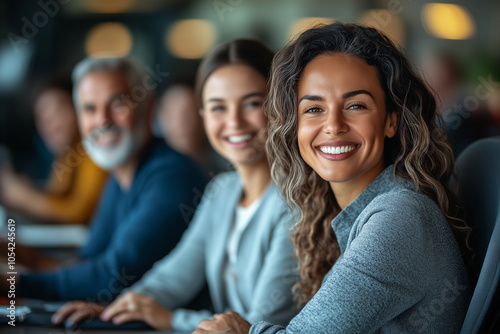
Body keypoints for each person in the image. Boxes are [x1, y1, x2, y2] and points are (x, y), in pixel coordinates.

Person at [194, 23, 473, 334]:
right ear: (293, 126)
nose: (333, 125)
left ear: (391, 120)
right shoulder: (342, 213)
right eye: (314, 109)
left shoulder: (399, 217)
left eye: (355, 105)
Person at [52, 39, 299, 332]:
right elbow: (174, 276)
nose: (234, 121)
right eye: (218, 107)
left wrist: (170, 319)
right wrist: (117, 309)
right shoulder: (222, 190)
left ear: (280, 105)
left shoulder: (295, 202)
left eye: (252, 103)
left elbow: (258, 325)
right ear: (204, 117)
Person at [0, 56, 207, 301]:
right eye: (90, 108)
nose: (102, 120)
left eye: (117, 104)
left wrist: (11, 284)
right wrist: (18, 254)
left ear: (148, 108)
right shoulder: (121, 175)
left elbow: (111, 276)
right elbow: (88, 263)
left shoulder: (172, 176)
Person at [0, 77, 108, 225]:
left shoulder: (94, 150)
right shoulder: (67, 154)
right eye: (42, 117)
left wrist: (25, 198)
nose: (50, 124)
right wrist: (26, 190)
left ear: (80, 109)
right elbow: (55, 198)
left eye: (58, 111)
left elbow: (80, 213)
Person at [156, 82, 230, 175]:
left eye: (188, 112)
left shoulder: (225, 165)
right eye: (172, 114)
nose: (181, 121)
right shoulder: (153, 170)